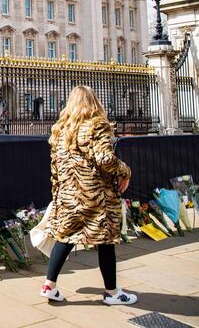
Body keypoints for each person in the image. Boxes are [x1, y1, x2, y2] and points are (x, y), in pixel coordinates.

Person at [40, 85, 137, 306]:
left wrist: (58, 194)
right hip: (95, 195)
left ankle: (49, 286)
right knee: (105, 240)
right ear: (94, 101)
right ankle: (112, 293)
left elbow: (55, 168)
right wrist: (125, 171)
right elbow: (105, 159)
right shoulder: (97, 125)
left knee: (65, 237)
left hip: (68, 194)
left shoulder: (60, 129)